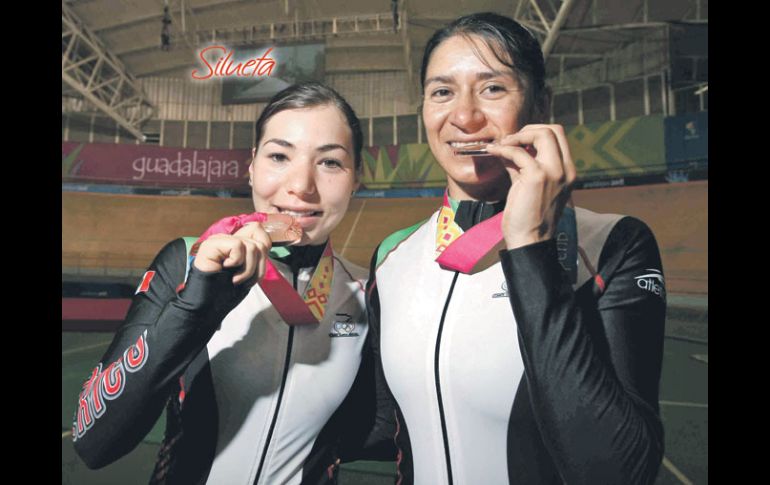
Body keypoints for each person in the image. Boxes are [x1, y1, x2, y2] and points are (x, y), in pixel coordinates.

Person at [360, 12, 666, 485]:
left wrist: (529, 247)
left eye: (493, 89)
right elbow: (386, 426)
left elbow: (618, 471)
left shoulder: (612, 245)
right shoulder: (393, 256)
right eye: (442, 92)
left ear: (540, 105)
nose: (464, 117)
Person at [71, 82, 375, 484]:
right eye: (280, 156)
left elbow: (384, 430)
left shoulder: (368, 292)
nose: (301, 186)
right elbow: (93, 443)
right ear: (251, 166)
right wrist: (192, 313)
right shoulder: (186, 261)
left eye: (331, 163)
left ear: (356, 177)